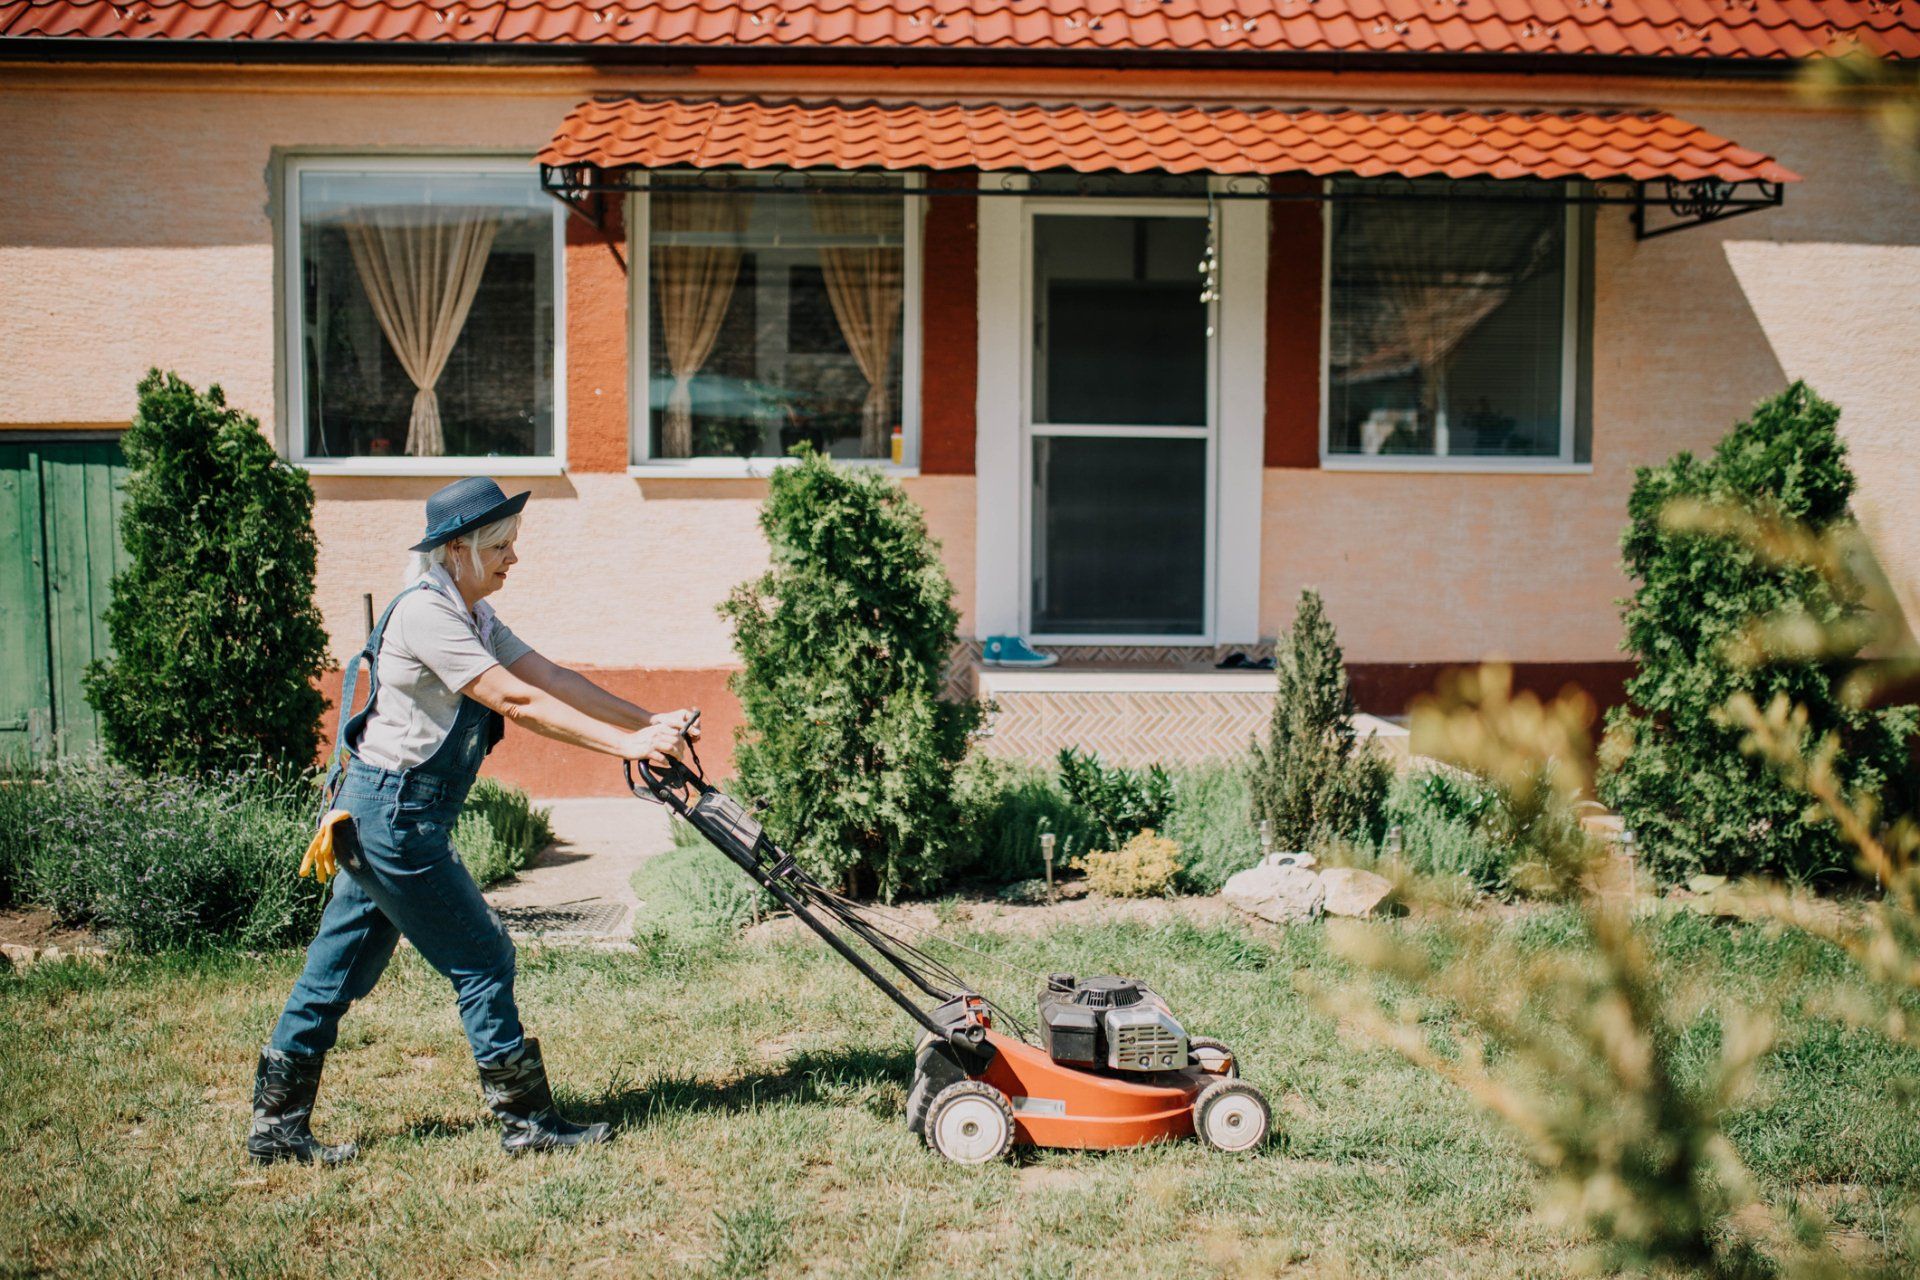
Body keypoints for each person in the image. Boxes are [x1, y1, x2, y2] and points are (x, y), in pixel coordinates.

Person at [249, 477, 697, 1164]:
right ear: (455, 550)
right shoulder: (429, 617)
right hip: (395, 820)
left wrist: (649, 722)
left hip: (378, 814)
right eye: (499, 547)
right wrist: (627, 747)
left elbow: (550, 676)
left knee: (331, 973)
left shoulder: (472, 614)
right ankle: (527, 1126)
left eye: (513, 544)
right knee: (484, 957)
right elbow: (515, 699)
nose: (512, 558)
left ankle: (276, 1132)